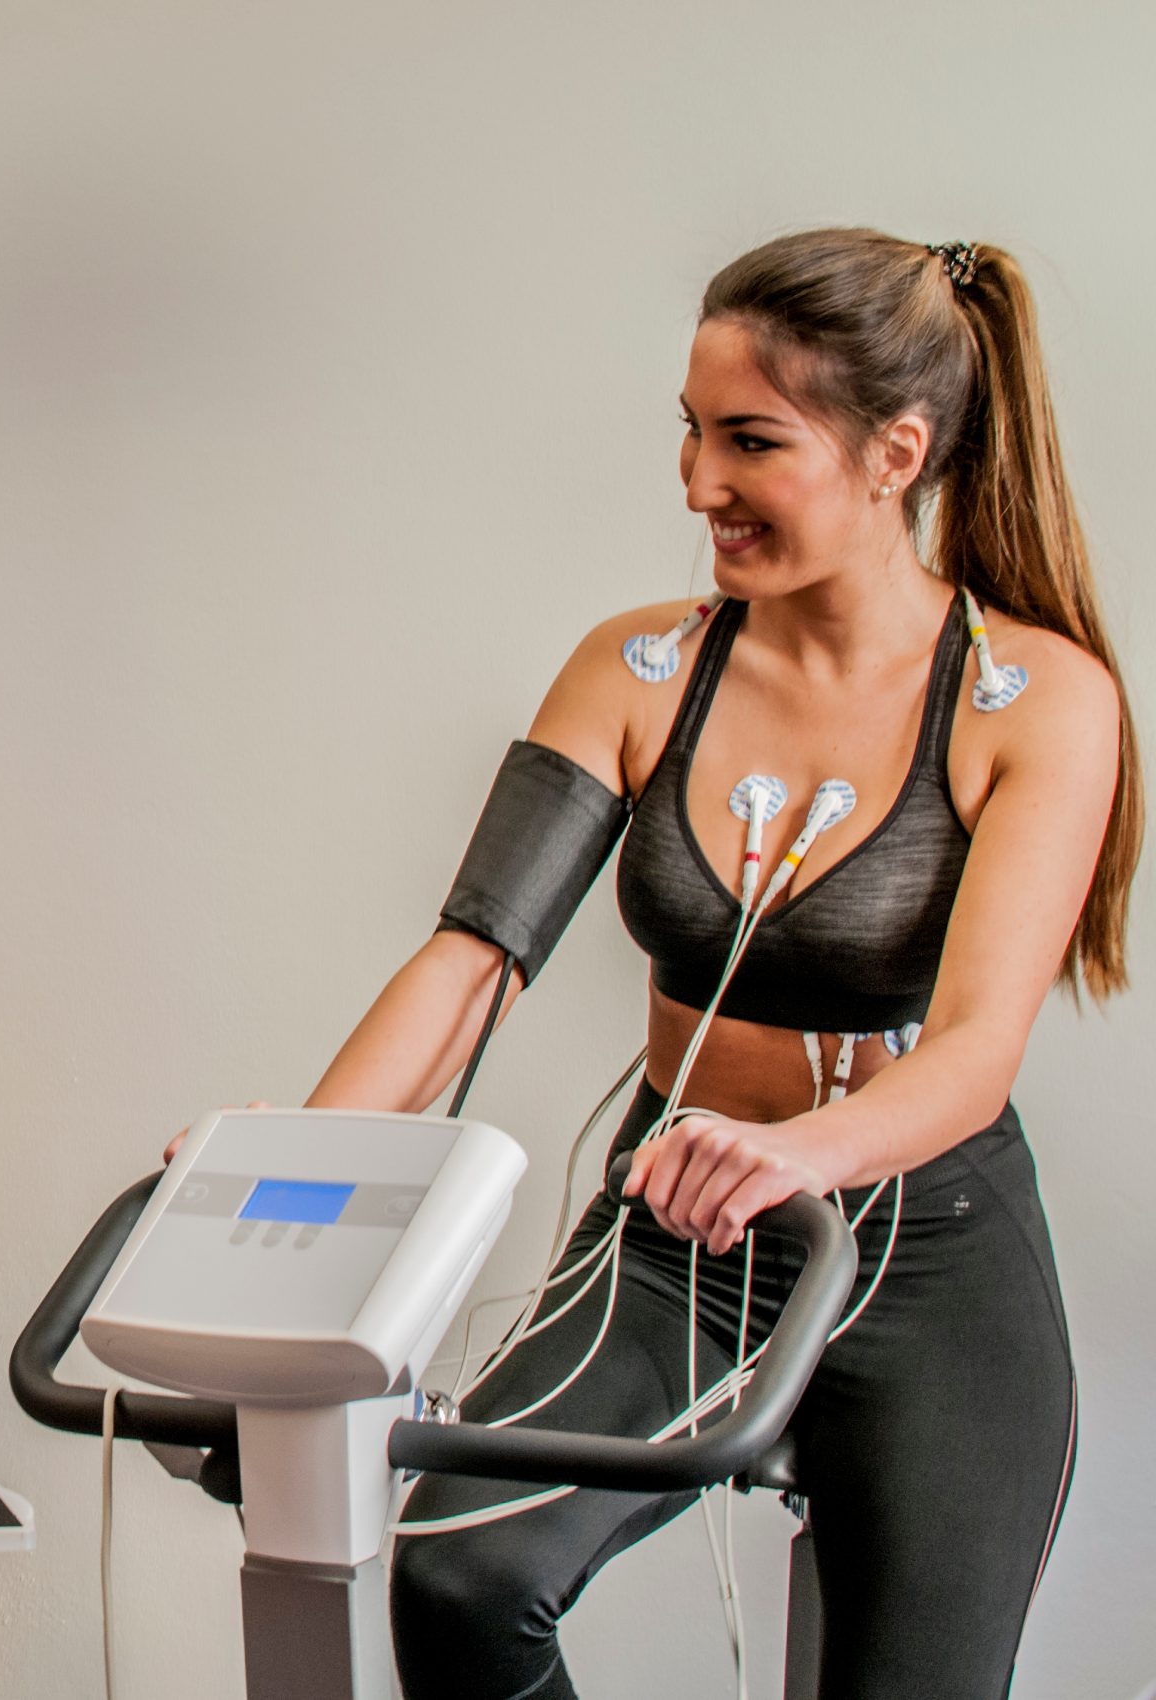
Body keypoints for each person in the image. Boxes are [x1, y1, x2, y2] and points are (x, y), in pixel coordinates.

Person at [196, 230, 1136, 1697]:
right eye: (690, 432)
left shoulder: (1036, 700)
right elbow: (472, 960)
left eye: (750, 441)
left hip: (933, 1254)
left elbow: (973, 1053)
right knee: (461, 1575)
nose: (698, 482)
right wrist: (290, 1180)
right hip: (681, 1242)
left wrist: (795, 1155)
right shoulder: (639, 669)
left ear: (896, 453)